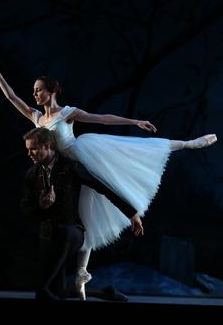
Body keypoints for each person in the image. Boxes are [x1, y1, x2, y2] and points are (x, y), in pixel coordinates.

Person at [0, 56, 217, 299]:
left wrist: (134, 121)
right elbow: (11, 97)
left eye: (39, 90)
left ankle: (187, 144)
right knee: (84, 218)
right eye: (34, 91)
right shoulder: (37, 118)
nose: (35, 94)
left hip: (82, 159)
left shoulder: (67, 113)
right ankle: (81, 277)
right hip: (61, 172)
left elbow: (102, 118)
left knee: (127, 159)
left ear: (51, 91)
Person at [21, 127, 143, 300]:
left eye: (33, 149)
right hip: (48, 236)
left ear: (47, 146)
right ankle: (106, 293)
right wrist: (41, 206)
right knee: (60, 292)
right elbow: (25, 209)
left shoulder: (70, 167)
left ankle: (42, 289)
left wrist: (132, 213)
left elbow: (103, 188)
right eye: (28, 149)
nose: (30, 153)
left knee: (64, 236)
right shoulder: (32, 175)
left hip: (72, 230)